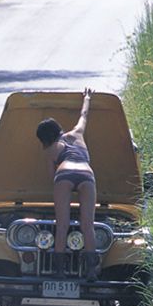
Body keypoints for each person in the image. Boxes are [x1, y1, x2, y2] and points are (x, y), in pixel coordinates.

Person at [35, 88, 99, 276]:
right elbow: (84, 114)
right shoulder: (78, 133)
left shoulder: (50, 150)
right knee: (88, 225)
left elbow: (51, 177)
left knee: (62, 224)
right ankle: (91, 271)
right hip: (87, 174)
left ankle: (59, 271)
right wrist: (87, 97)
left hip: (64, 173)